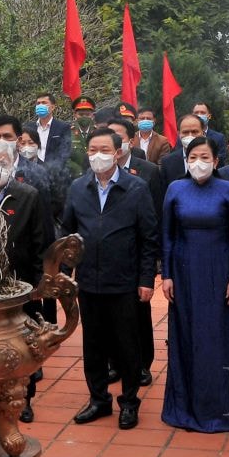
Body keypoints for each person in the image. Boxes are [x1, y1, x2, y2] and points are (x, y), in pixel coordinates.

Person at [60, 126, 158, 430]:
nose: (97, 156)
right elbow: (68, 235)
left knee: (127, 345)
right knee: (93, 345)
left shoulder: (137, 188)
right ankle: (98, 399)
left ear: (118, 152)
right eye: (92, 150)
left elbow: (148, 238)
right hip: (89, 282)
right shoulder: (78, 188)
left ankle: (129, 402)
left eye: (104, 150)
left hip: (124, 281)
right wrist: (64, 275)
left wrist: (146, 279)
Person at [159, 137, 229, 432]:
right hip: (184, 273)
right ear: (186, 159)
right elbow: (167, 235)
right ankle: (184, 407)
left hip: (219, 272)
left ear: (216, 161)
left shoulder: (227, 190)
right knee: (186, 335)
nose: (199, 162)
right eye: (193, 156)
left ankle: (224, 410)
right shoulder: (175, 189)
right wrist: (167, 274)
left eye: (204, 156)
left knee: (220, 338)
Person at [0, 140, 49, 421]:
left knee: (23, 344)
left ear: (12, 164)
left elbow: (42, 241)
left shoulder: (28, 195)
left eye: (2, 161)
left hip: (22, 283)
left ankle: (24, 399)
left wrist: (40, 283)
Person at [110, 117, 164, 388]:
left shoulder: (149, 171)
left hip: (137, 255)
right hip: (108, 257)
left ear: (130, 141)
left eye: (118, 136)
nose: (113, 142)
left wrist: (152, 259)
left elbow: (154, 218)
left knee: (137, 315)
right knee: (109, 316)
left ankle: (142, 364)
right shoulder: (95, 171)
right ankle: (114, 363)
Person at [24, 91, 72, 171]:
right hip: (30, 171)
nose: (40, 105)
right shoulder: (28, 127)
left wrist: (48, 169)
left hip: (53, 173)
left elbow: (64, 153)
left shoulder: (63, 127)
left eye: (44, 103)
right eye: (38, 103)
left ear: (52, 107)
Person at [159, 113, 206, 183]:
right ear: (179, 134)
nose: (190, 135)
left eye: (195, 132)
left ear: (203, 133)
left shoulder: (211, 159)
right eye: (185, 132)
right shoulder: (167, 162)